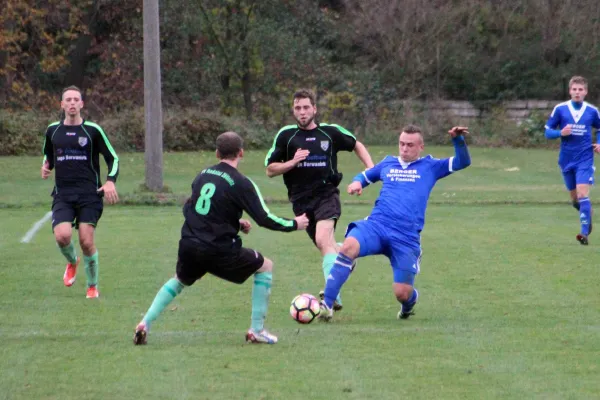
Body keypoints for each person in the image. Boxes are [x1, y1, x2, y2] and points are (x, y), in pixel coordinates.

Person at [133, 131, 309, 345]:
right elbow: (264, 218)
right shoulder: (241, 183)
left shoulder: (202, 174)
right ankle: (257, 330)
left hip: (189, 244)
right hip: (218, 249)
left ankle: (145, 323)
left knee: (179, 280)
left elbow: (195, 208)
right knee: (265, 266)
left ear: (217, 153)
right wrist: (295, 224)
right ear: (241, 153)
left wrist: (235, 224)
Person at [319, 125, 471, 321]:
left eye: (410, 145)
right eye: (401, 144)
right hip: (377, 226)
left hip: (406, 238)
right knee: (348, 247)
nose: (404, 148)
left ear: (421, 147)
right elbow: (367, 175)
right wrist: (357, 182)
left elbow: (462, 162)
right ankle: (327, 305)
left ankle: (409, 304)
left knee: (402, 293)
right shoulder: (388, 163)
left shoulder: (431, 166)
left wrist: (458, 140)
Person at [264, 89, 374, 311]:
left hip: (327, 195)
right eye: (297, 108)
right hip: (300, 201)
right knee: (328, 247)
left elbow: (356, 145)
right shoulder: (286, 136)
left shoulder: (330, 133)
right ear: (293, 110)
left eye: (306, 107)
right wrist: (292, 162)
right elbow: (270, 170)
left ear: (314, 109)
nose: (302, 112)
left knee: (323, 239)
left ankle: (332, 298)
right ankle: (347, 256)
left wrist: (370, 170)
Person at [41, 85, 120, 299]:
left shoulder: (93, 130)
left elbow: (113, 158)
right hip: (63, 194)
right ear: (62, 104)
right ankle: (71, 261)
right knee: (62, 236)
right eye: (69, 99)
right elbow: (49, 154)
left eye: (77, 99)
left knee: (86, 241)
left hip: (89, 195)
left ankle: (92, 286)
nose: (73, 103)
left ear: (82, 104)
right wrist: (46, 165)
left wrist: (111, 181)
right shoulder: (53, 130)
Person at [544, 75, 600, 245]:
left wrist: (599, 143)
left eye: (580, 89)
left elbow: (599, 129)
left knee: (583, 193)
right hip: (566, 160)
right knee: (576, 200)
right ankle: (587, 215)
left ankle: (584, 233)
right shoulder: (560, 109)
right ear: (570, 91)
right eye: (574, 89)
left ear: (586, 92)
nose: (577, 92)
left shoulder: (592, 111)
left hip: (585, 158)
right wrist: (560, 133)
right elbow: (547, 132)